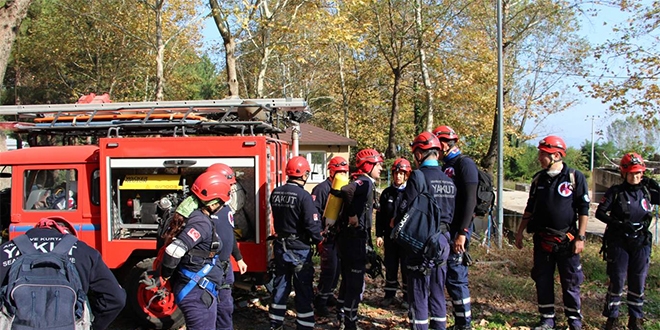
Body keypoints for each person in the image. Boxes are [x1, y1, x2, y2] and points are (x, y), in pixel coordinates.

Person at [515, 135, 590, 330]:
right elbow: (530, 207)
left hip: (567, 241)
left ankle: (574, 320)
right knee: (542, 279)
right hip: (543, 240)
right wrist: (520, 231)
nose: (540, 157)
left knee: (571, 281)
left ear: (556, 155)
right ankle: (547, 318)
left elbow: (584, 209)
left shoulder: (575, 177)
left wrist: (580, 237)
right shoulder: (539, 179)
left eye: (544, 154)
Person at [0, 216, 126, 330]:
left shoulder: (5, 251)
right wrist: (95, 326)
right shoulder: (84, 251)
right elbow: (116, 298)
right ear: (64, 232)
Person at [159, 172, 231, 330]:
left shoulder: (196, 217)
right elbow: (174, 251)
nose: (223, 207)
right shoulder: (200, 223)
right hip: (197, 293)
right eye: (222, 203)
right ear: (212, 204)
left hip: (199, 290)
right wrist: (165, 275)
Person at [595, 153, 659, 330]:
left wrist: (657, 188)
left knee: (638, 281)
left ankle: (635, 319)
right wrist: (619, 225)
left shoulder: (646, 191)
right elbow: (600, 213)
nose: (635, 177)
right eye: (631, 173)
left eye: (638, 173)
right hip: (619, 241)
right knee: (618, 279)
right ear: (623, 173)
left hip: (641, 242)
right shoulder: (616, 192)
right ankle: (612, 318)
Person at [399, 132, 456, 330]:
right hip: (443, 240)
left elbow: (406, 207)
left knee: (419, 292)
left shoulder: (418, 176)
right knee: (438, 289)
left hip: (422, 242)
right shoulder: (448, 179)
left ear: (418, 154)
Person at [268, 156, 323, 330]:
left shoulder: (275, 193)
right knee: (303, 289)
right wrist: (320, 241)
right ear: (304, 174)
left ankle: (275, 324)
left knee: (280, 286)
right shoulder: (304, 196)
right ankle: (305, 325)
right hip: (299, 250)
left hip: (280, 247)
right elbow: (312, 225)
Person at [433, 125, 477, 330]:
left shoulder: (464, 164)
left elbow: (470, 199)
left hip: (458, 230)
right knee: (449, 276)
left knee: (457, 277)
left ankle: (464, 323)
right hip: (446, 230)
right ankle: (459, 321)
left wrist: (463, 232)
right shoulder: (445, 166)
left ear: (443, 144)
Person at [334, 148, 383, 330]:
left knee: (347, 280)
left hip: (348, 240)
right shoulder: (365, 182)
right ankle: (350, 323)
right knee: (354, 284)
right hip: (354, 241)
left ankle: (341, 315)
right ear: (368, 165)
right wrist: (353, 214)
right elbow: (347, 190)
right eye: (378, 165)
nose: (380, 168)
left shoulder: (364, 182)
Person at [313, 156, 349, 317]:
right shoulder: (322, 189)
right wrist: (319, 236)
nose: (341, 174)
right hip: (327, 236)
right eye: (338, 171)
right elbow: (314, 213)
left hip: (341, 236)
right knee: (330, 270)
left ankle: (328, 296)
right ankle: (320, 301)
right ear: (331, 171)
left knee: (337, 270)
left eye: (344, 171)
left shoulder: (346, 187)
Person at [375, 157, 411, 308]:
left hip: (405, 237)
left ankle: (407, 298)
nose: (398, 176)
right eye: (396, 173)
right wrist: (379, 234)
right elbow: (380, 215)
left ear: (407, 175)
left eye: (402, 174)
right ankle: (389, 294)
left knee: (406, 267)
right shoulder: (387, 193)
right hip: (390, 237)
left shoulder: (410, 193)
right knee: (390, 265)